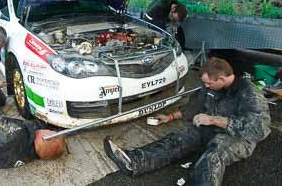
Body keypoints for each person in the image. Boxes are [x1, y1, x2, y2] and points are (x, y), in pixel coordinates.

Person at [104, 57, 271, 186]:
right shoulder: (210, 86)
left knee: (213, 155)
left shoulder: (250, 93)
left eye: (208, 83)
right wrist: (170, 117)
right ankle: (134, 162)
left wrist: (215, 120)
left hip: (238, 136)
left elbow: (260, 128)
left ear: (221, 79)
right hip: (211, 126)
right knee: (181, 137)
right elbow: (194, 106)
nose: (205, 86)